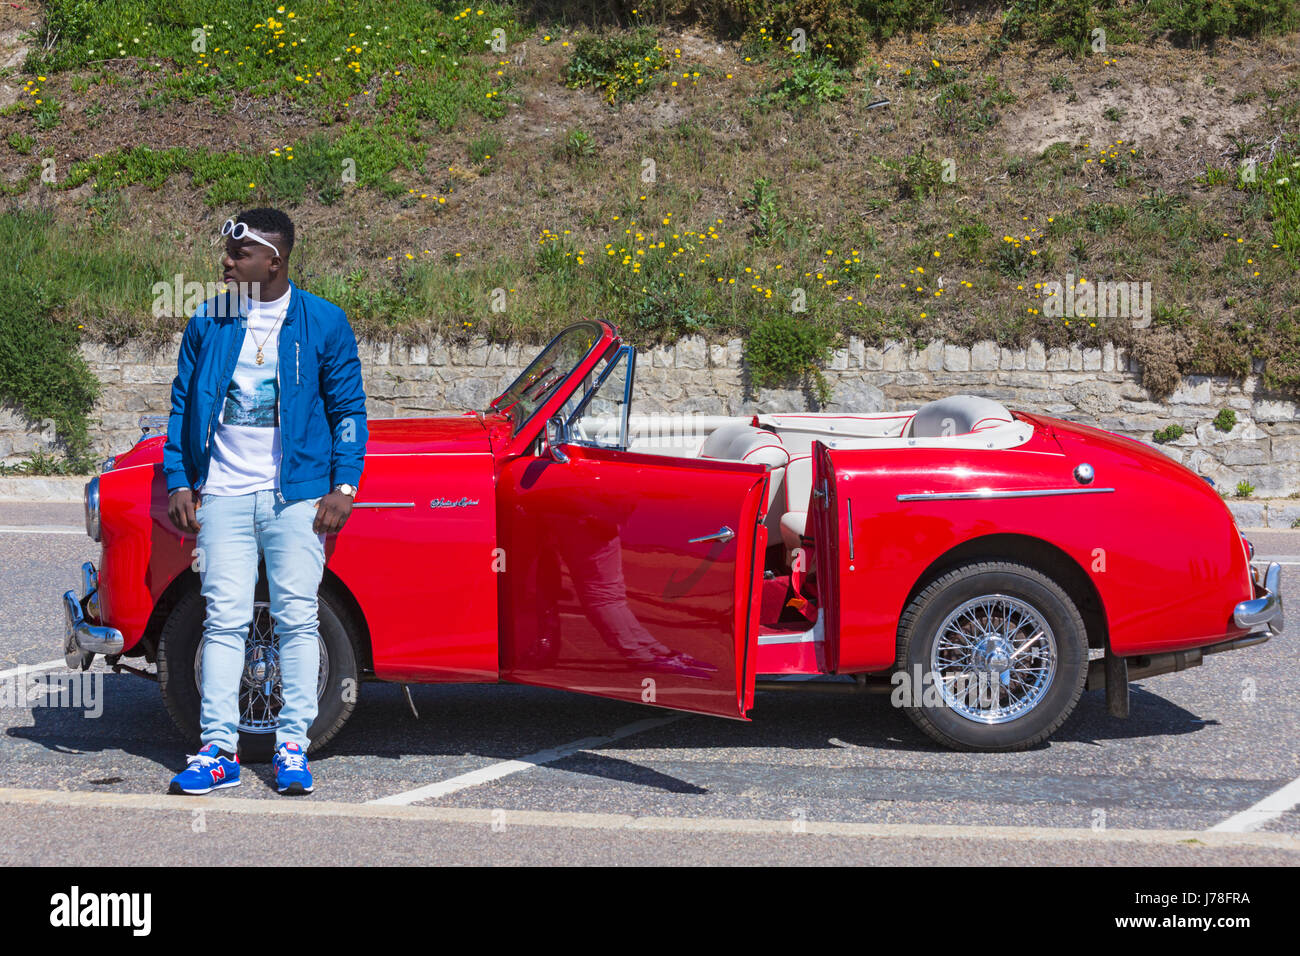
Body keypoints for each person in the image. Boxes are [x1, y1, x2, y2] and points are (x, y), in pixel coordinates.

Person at [162, 207, 368, 795]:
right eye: (227, 255)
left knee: (297, 620)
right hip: (223, 493)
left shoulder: (323, 322)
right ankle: (217, 751)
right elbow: (181, 406)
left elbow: (350, 411)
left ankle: (291, 747)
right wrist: (180, 480)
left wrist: (343, 486)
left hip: (296, 498)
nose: (225, 265)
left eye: (238, 257)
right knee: (223, 621)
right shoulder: (210, 319)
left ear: (273, 261)